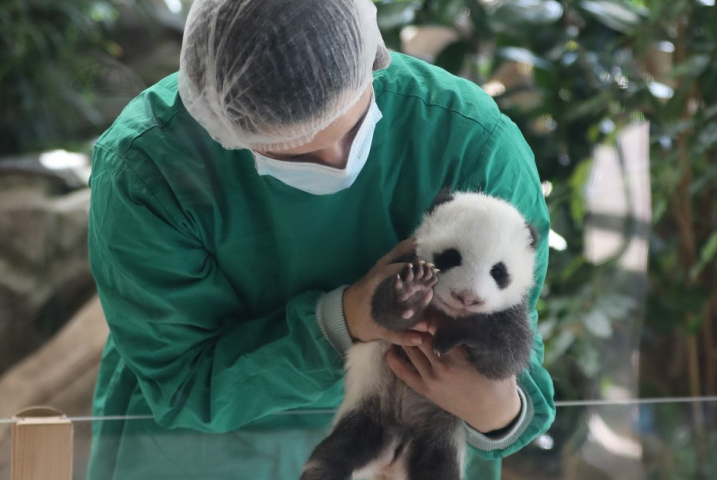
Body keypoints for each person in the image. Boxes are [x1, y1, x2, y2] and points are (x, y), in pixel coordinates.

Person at [86, 0, 556, 478]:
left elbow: (519, 354)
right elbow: (182, 381)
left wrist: (495, 411)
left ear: (371, 55)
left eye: (348, 123)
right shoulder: (148, 170)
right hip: (204, 455)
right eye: (292, 152)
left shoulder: (471, 143)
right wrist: (345, 318)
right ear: (222, 126)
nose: (335, 160)